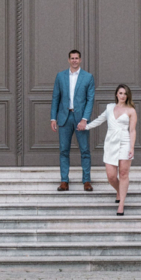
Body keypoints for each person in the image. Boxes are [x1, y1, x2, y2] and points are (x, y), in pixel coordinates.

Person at [85, 86, 137, 215]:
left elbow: (132, 130)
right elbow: (99, 120)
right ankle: (119, 191)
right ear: (116, 94)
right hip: (110, 143)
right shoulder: (109, 108)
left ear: (128, 95)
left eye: (125, 93)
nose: (123, 96)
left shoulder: (131, 111)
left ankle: (121, 204)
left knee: (124, 174)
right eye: (120, 93)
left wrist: (131, 147)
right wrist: (85, 127)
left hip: (125, 142)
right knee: (111, 176)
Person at [50, 49, 95, 191]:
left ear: (80, 60)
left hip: (80, 119)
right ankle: (64, 181)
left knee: (85, 150)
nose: (74, 60)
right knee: (64, 150)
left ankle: (86, 180)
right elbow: (55, 98)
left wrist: (85, 119)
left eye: (77, 58)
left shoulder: (88, 77)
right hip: (64, 118)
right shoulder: (60, 76)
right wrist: (53, 118)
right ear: (69, 60)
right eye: (72, 58)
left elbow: (90, 100)